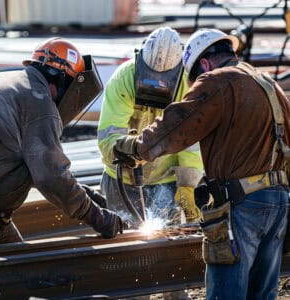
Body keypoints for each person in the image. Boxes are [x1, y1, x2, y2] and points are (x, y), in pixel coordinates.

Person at [113, 28, 290, 300]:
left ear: (204, 64)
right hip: (277, 203)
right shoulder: (269, 84)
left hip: (240, 206)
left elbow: (179, 123)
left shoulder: (217, 81)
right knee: (262, 294)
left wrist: (137, 147)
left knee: (226, 293)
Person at [0, 37, 123, 245]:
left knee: (17, 258)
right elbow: (51, 177)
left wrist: (91, 196)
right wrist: (98, 218)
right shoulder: (38, 101)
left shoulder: (11, 81)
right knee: (15, 274)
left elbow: (34, 166)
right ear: (62, 82)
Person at [97, 27, 203, 227]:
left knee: (165, 242)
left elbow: (191, 142)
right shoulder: (124, 78)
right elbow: (109, 137)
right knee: (123, 242)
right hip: (121, 179)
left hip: (166, 179)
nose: (156, 87)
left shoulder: (187, 86)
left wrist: (187, 185)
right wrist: (131, 150)